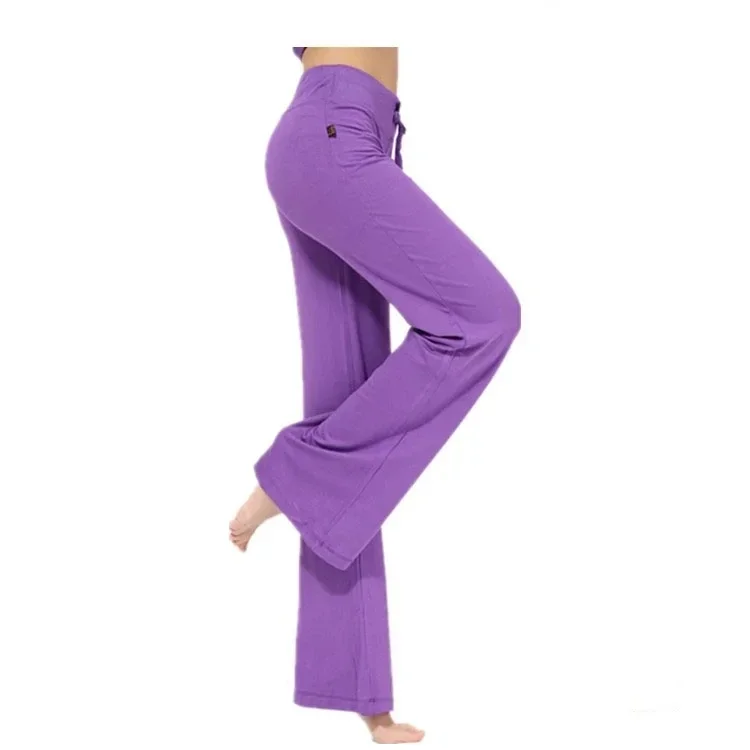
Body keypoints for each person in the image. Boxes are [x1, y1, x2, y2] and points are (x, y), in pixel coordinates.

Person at [229, 46, 521, 744]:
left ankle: (360, 689)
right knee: (482, 318)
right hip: (335, 134)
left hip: (336, 134)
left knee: (348, 404)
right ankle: (295, 475)